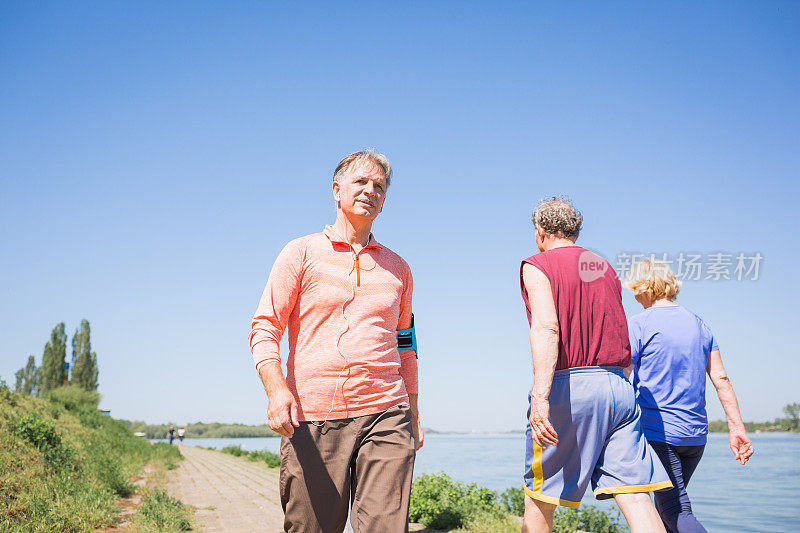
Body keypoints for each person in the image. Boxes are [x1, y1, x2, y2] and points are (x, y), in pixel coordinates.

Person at [249, 149, 422, 533]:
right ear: (336, 189)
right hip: (313, 415)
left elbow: (406, 346)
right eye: (361, 181)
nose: (370, 191)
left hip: (386, 412)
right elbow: (265, 327)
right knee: (311, 526)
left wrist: (413, 411)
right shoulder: (301, 252)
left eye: (379, 186)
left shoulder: (399, 268)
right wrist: (276, 390)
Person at [520, 196, 672, 533]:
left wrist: (540, 397)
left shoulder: (536, 264)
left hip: (571, 388)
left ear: (541, 231)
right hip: (618, 386)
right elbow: (618, 329)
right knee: (635, 495)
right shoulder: (603, 268)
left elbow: (547, 327)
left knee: (540, 496)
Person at [624, 259, 754, 532]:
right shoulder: (699, 324)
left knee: (675, 510)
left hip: (659, 434)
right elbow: (721, 379)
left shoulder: (639, 324)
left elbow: (623, 375)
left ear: (645, 286)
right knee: (668, 509)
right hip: (695, 437)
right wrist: (737, 429)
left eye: (635, 288)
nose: (634, 295)